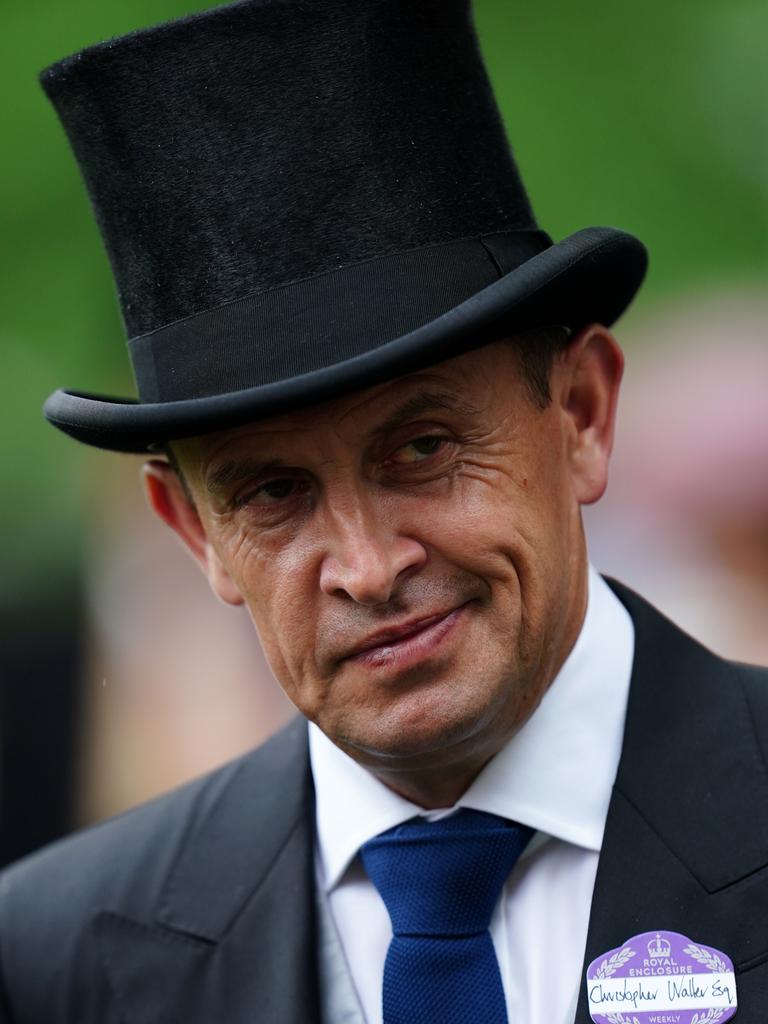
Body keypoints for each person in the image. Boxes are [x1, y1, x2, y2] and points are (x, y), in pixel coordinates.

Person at [1, 1, 765, 1022]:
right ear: (195, 535)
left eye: (423, 449)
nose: (366, 566)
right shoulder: (56, 956)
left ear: (580, 414)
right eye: (273, 492)